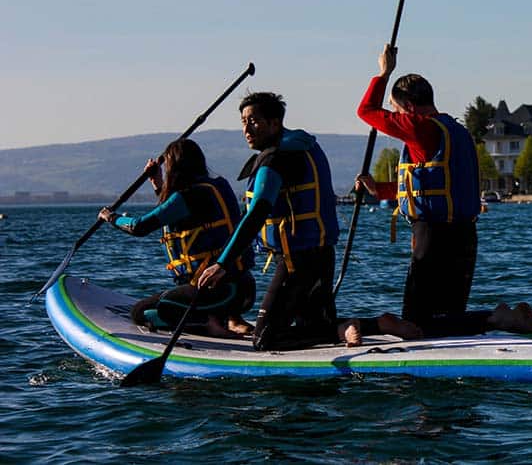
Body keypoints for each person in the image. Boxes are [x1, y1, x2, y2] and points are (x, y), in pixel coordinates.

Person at [197, 92, 421, 350]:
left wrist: (223, 262)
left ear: (274, 123)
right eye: (243, 122)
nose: (247, 129)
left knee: (264, 340)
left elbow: (258, 210)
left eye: (254, 121)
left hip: (296, 263)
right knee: (312, 325)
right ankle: (376, 324)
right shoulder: (306, 147)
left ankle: (345, 328)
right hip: (322, 256)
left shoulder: (275, 159)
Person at [356, 45, 532, 336]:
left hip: (434, 236)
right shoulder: (456, 132)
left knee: (416, 324)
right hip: (464, 236)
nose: (395, 117)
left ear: (409, 107)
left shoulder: (420, 127)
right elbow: (437, 185)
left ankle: (497, 318)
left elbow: (366, 111)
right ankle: (502, 318)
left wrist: (384, 73)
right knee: (448, 321)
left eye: (396, 109)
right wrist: (381, 190)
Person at [98, 138, 255, 338]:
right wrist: (157, 182)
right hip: (242, 289)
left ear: (174, 167)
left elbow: (140, 227)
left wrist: (111, 217)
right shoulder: (218, 186)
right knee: (178, 298)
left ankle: (207, 323)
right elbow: (175, 213)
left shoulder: (187, 195)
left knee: (140, 312)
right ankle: (229, 319)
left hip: (217, 292)